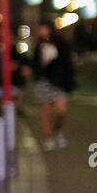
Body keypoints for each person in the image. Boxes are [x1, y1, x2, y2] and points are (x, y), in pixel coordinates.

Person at [32, 17, 76, 149]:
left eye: (44, 28)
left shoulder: (60, 43)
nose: (42, 31)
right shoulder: (39, 46)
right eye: (40, 29)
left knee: (61, 110)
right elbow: (35, 64)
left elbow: (67, 62)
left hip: (59, 80)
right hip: (44, 81)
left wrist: (69, 79)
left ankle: (57, 131)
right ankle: (49, 137)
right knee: (45, 111)